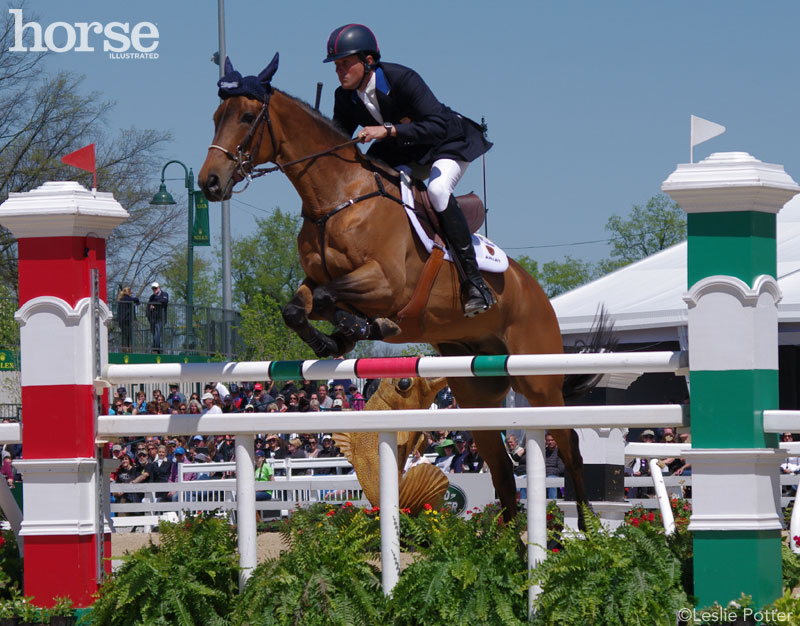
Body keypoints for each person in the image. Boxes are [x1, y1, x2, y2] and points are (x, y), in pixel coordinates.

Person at [325, 23, 495, 317]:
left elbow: (437, 125)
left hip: (446, 141)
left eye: (345, 64)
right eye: (336, 66)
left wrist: (386, 130)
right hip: (404, 148)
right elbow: (339, 140)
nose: (340, 72)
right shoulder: (345, 96)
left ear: (368, 61)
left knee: (439, 191)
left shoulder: (401, 78)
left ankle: (475, 284)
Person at [147, 281, 169, 353]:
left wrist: (154, 303)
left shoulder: (164, 294)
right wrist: (149, 317)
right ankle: (157, 348)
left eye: (155, 288)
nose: (154, 290)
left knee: (157, 333)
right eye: (153, 289)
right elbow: (148, 307)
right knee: (154, 334)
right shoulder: (151, 297)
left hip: (161, 318)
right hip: (153, 318)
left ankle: (156, 349)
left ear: (159, 288)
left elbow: (164, 301)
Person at [117, 287, 139, 352]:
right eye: (130, 292)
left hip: (121, 320)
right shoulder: (126, 298)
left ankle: (125, 349)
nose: (131, 294)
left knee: (124, 334)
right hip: (126, 320)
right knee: (128, 335)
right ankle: (128, 349)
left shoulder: (121, 299)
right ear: (128, 292)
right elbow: (136, 299)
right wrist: (137, 303)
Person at [544, 433, 565, 499]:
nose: (550, 442)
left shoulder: (560, 452)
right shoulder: (543, 451)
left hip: (555, 475)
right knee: (526, 479)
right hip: (542, 474)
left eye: (552, 440)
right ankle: (523, 504)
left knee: (551, 480)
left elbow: (561, 469)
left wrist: (548, 473)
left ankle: (552, 505)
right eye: (548, 440)